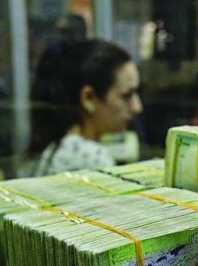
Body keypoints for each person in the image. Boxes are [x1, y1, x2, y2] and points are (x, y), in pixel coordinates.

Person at [31, 39, 143, 176]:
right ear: (89, 98)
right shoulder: (94, 159)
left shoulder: (54, 148)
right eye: (126, 95)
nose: (137, 107)